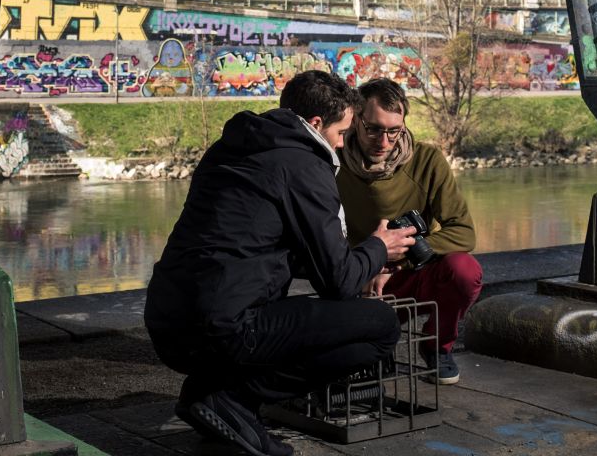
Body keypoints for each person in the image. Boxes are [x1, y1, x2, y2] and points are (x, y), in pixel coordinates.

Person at [144, 70, 416, 456]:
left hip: (167, 322)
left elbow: (257, 246)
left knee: (275, 313)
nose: (341, 146)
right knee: (381, 328)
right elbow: (336, 282)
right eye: (341, 134)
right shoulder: (305, 164)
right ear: (316, 124)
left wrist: (362, 258)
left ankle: (209, 394)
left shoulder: (234, 147)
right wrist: (378, 247)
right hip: (224, 329)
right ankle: (234, 397)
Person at [337, 78, 483, 385]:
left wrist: (394, 261)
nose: (384, 141)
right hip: (355, 280)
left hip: (407, 272)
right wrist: (363, 265)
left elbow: (464, 233)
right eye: (373, 128)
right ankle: (376, 340)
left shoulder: (427, 160)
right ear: (355, 119)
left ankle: (436, 347)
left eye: (394, 131)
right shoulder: (333, 162)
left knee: (464, 270)